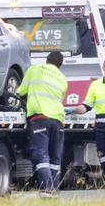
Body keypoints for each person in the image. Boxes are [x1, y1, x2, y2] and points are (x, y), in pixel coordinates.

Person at [17, 51, 68, 195]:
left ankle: (47, 189)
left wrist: (16, 92)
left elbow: (21, 91)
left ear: (47, 60)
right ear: (60, 64)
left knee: (41, 156)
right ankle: (54, 190)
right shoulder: (63, 79)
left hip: (40, 117)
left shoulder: (35, 70)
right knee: (55, 157)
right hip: (58, 119)